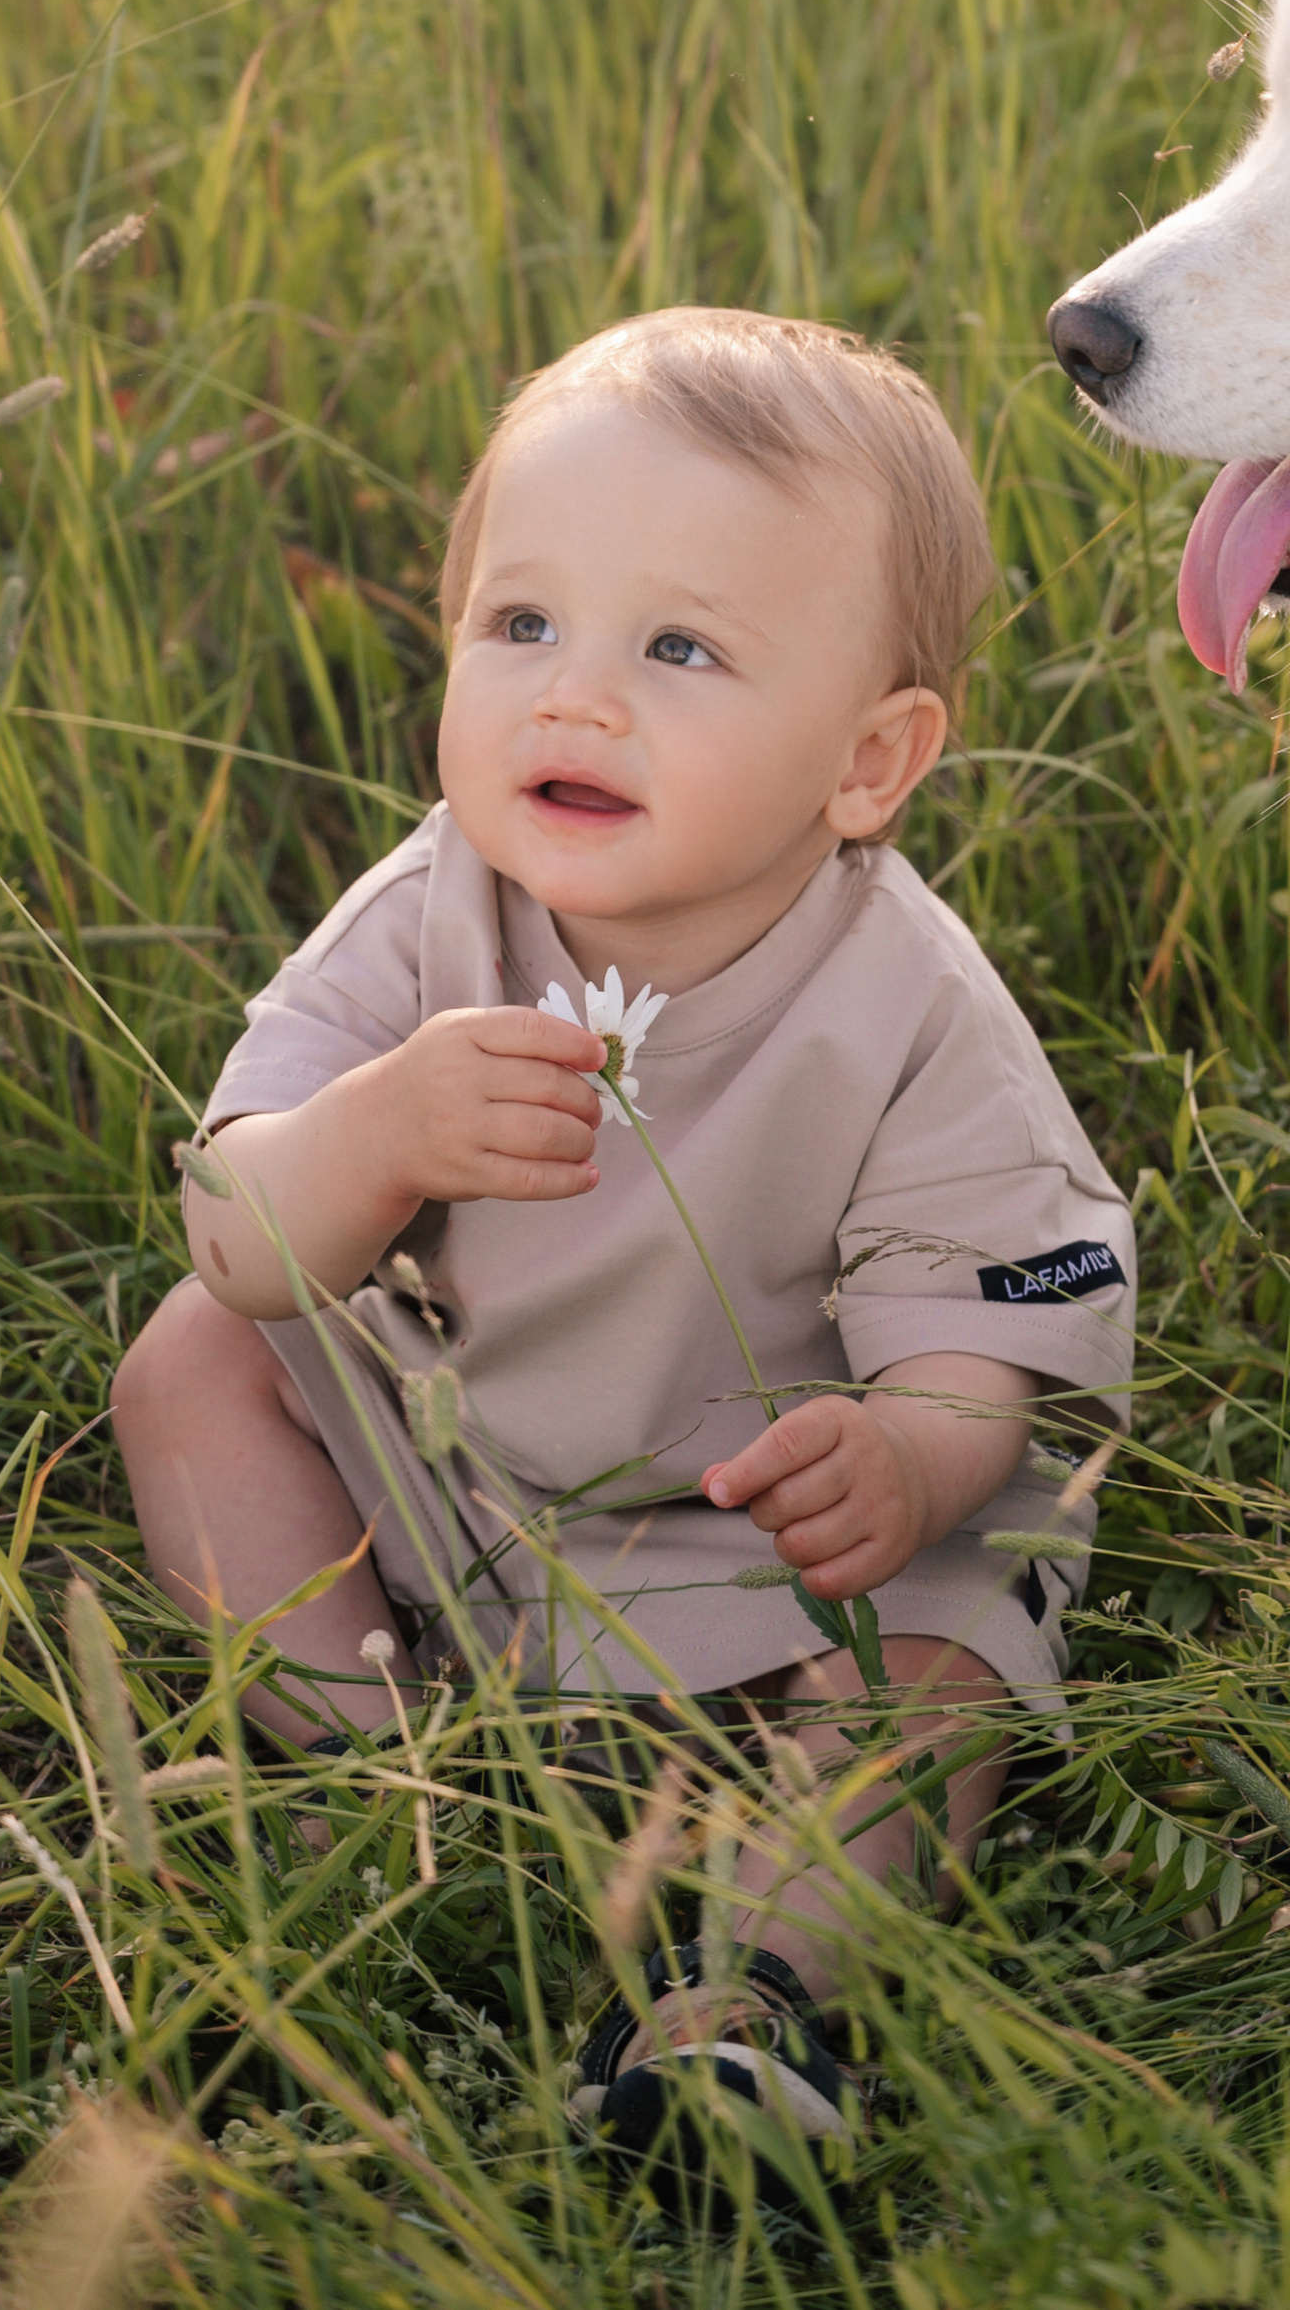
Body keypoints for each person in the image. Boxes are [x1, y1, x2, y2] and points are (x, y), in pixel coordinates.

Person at [111, 307, 1134, 2165]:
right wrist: (371, 1129)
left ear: (869, 759)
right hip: (462, 1471)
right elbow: (237, 1233)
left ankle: (757, 1991)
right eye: (521, 625)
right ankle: (386, 1767)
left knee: (963, 1625)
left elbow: (991, 1335)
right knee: (190, 1359)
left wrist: (908, 1448)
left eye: (679, 645)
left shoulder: (902, 1003)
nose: (572, 697)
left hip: (774, 1531)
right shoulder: (434, 910)